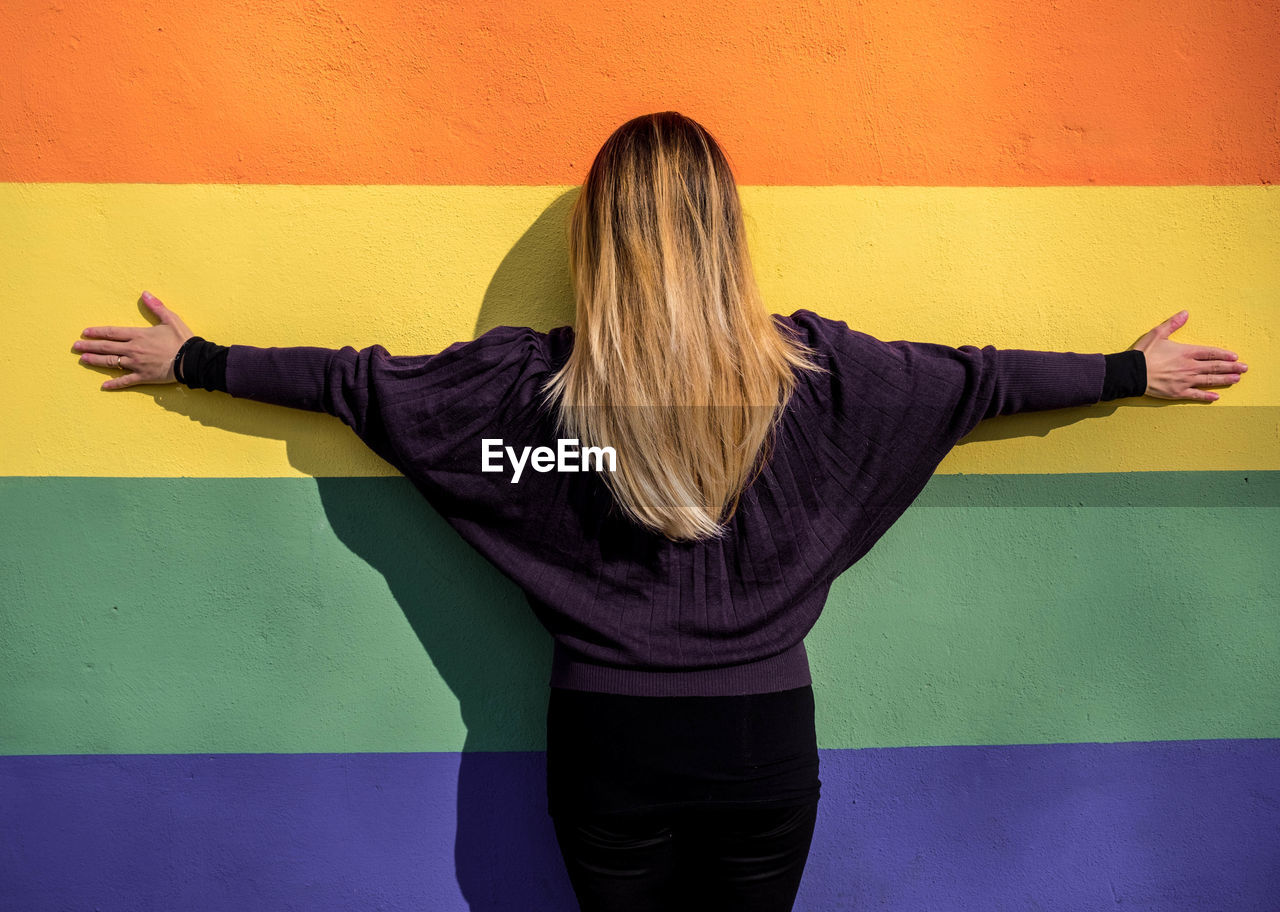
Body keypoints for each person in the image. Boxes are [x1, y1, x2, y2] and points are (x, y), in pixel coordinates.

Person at [71, 112, 1246, 912]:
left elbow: (361, 385)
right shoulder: (824, 386)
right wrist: (1127, 374)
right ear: (724, 230)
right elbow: (978, 381)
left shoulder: (526, 403)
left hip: (607, 750)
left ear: (600, 239)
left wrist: (200, 360)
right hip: (761, 747)